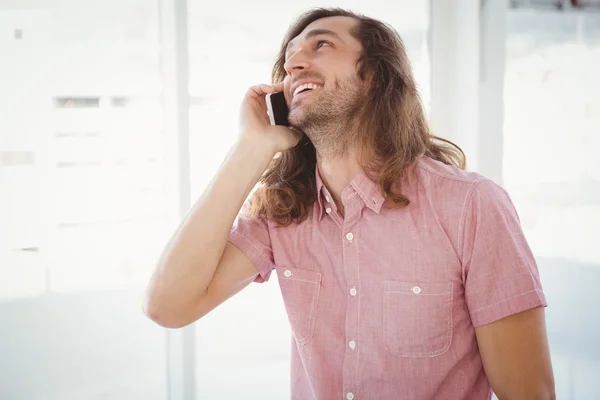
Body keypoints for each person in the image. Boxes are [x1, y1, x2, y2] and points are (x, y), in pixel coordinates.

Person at [144, 7, 555, 400]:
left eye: (321, 45)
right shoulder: (281, 214)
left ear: (374, 74)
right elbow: (168, 306)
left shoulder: (471, 206)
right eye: (288, 59)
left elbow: (529, 393)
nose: (294, 65)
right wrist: (250, 148)